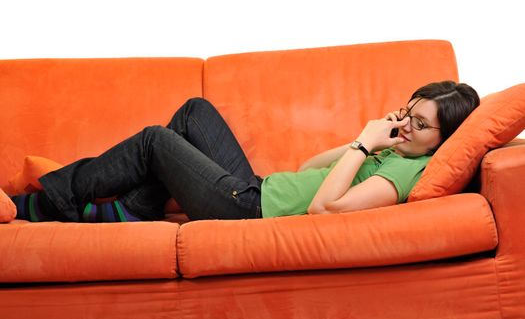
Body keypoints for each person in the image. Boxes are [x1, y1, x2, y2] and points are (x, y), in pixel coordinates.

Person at [9, 80, 480, 223]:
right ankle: (133, 211)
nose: (406, 126)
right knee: (194, 111)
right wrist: (372, 137)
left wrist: (362, 145)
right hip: (256, 187)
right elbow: (308, 168)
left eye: (420, 124)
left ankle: (37, 205)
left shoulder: (404, 175)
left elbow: (325, 207)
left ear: (446, 136)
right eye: (406, 112)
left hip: (249, 210)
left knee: (156, 140)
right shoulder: (389, 150)